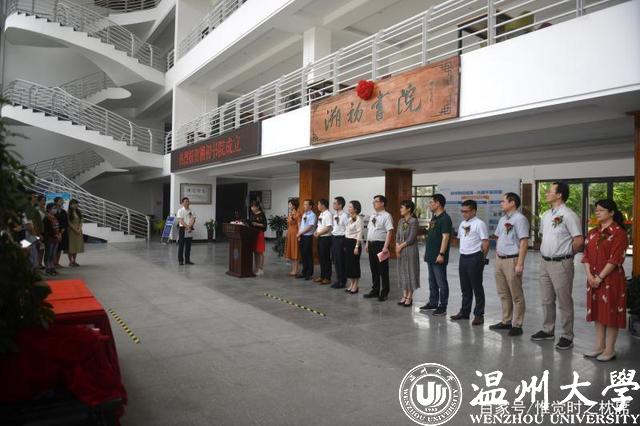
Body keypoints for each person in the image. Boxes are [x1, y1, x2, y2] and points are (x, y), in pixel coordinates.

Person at [532, 181, 583, 350]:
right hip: (545, 262)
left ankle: (567, 335)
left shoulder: (569, 215)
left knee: (564, 300)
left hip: (561, 263)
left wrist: (567, 255)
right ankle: (548, 330)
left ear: (559, 195)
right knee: (546, 299)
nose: (547, 193)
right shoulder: (546, 215)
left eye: (550, 191)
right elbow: (545, 236)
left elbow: (578, 240)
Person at [582, 199, 628, 362]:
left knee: (611, 313)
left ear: (611, 213)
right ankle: (599, 346)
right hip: (593, 279)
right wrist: (589, 276)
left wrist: (600, 277)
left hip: (611, 280)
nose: (597, 212)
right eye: (596, 210)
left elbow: (615, 259)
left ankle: (610, 349)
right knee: (598, 312)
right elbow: (586, 256)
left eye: (601, 210)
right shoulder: (593, 232)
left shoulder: (619, 233)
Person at [490, 193, 529, 336]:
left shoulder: (520, 219)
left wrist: (520, 263)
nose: (501, 203)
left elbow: (524, 242)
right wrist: (496, 256)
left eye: (504, 201)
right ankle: (506, 321)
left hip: (512, 260)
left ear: (512, 203)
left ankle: (517, 324)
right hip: (500, 259)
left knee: (516, 294)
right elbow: (499, 238)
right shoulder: (503, 219)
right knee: (503, 292)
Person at [451, 199, 489, 324]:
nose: (464, 214)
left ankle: (479, 314)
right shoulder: (462, 223)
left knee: (477, 287)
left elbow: (485, 242)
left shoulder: (479, 224)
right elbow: (461, 239)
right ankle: (464, 312)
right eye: (462, 211)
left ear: (474, 211)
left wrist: (482, 258)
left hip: (475, 257)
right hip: (463, 257)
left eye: (466, 211)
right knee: (465, 288)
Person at [419, 194, 452, 316]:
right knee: (432, 281)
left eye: (431, 202)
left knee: (441, 282)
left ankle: (442, 306)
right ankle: (433, 302)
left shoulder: (445, 218)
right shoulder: (434, 218)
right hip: (431, 255)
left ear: (438, 204)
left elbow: (445, 237)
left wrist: (441, 254)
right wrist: (427, 253)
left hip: (439, 256)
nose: (429, 204)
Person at [364, 195, 394, 302]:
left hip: (381, 245)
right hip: (371, 244)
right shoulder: (373, 215)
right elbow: (370, 230)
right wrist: (367, 243)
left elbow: (389, 231)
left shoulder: (387, 216)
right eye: (374, 202)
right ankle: (375, 290)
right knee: (374, 269)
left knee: (383, 270)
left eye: (376, 201)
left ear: (382, 203)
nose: (374, 203)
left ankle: (384, 292)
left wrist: (385, 247)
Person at [396, 200, 419, 307]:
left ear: (409, 209)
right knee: (403, 271)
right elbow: (397, 235)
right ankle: (404, 295)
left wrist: (400, 247)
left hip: (410, 250)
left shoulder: (413, 221)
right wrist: (397, 245)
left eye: (402, 207)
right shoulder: (401, 221)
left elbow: (411, 238)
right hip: (400, 249)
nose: (400, 209)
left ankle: (410, 296)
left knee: (410, 271)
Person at [344, 201, 363, 294]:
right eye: (349, 207)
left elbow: (359, 234)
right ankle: (351, 283)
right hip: (348, 242)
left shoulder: (359, 219)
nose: (349, 208)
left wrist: (356, 246)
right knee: (349, 265)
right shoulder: (349, 218)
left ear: (355, 209)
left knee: (354, 264)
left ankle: (356, 285)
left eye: (350, 207)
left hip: (354, 243)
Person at [330, 197, 349, 289]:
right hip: (334, 238)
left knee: (341, 261)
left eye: (335, 203)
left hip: (341, 239)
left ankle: (342, 281)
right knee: (336, 261)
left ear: (340, 205)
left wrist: (345, 242)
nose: (333, 205)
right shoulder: (335, 214)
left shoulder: (345, 215)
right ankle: (338, 280)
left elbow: (347, 228)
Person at [314, 199, 333, 285]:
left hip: (326, 238)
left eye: (318, 204)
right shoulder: (321, 214)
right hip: (320, 238)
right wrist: (316, 232)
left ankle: (327, 277)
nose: (317, 206)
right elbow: (320, 226)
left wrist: (319, 233)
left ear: (323, 205)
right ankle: (322, 276)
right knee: (321, 258)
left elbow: (328, 228)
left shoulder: (328, 214)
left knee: (326, 258)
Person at [296, 199, 317, 280]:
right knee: (303, 254)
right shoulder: (304, 214)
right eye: (304, 204)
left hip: (308, 236)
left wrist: (300, 233)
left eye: (306, 204)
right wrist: (299, 234)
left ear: (310, 206)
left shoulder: (312, 215)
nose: (304, 206)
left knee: (308, 255)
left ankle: (309, 273)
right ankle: (304, 272)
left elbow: (310, 227)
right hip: (303, 236)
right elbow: (302, 225)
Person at [176, 197, 196, 265]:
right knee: (181, 245)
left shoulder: (192, 211)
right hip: (183, 229)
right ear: (182, 203)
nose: (187, 202)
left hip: (190, 229)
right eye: (186, 201)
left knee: (188, 246)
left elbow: (193, 219)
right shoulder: (180, 211)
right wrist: (187, 227)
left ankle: (187, 260)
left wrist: (189, 227)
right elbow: (180, 221)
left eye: (188, 201)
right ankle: (180, 260)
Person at [43, 203, 61, 275]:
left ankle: (52, 268)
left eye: (55, 208)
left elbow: (57, 227)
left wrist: (59, 234)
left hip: (55, 238)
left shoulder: (54, 217)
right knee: (48, 254)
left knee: (53, 254)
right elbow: (47, 229)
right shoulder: (46, 218)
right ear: (48, 209)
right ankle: (47, 268)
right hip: (49, 238)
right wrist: (55, 235)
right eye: (53, 208)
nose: (55, 210)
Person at [249, 201, 267, 275]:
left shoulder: (262, 214)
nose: (252, 208)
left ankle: (261, 269)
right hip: (253, 234)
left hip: (259, 234)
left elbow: (264, 225)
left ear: (257, 207)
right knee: (255, 251)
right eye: (251, 207)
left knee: (260, 251)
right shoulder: (252, 214)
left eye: (254, 207)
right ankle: (256, 268)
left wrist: (257, 224)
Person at [284, 198, 301, 276]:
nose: (289, 206)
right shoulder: (290, 213)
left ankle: (295, 270)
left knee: (295, 251)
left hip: (295, 233)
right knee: (291, 251)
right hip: (290, 233)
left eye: (290, 204)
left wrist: (299, 235)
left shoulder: (298, 213)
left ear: (294, 205)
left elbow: (299, 225)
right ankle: (293, 269)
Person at [67, 199, 84, 267]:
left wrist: (79, 228)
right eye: (73, 204)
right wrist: (74, 229)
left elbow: (81, 220)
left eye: (76, 203)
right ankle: (70, 261)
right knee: (71, 246)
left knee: (76, 246)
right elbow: (68, 222)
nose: (75, 205)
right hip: (71, 231)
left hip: (78, 230)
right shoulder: (68, 213)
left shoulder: (78, 212)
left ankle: (74, 261)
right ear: (70, 205)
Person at [53, 196, 69, 268]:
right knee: (55, 248)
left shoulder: (63, 211)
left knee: (60, 248)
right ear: (56, 202)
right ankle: (53, 262)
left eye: (62, 200)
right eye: (60, 201)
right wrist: (57, 231)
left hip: (62, 231)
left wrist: (63, 230)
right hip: (55, 231)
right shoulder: (53, 211)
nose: (62, 202)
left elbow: (66, 221)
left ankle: (57, 262)